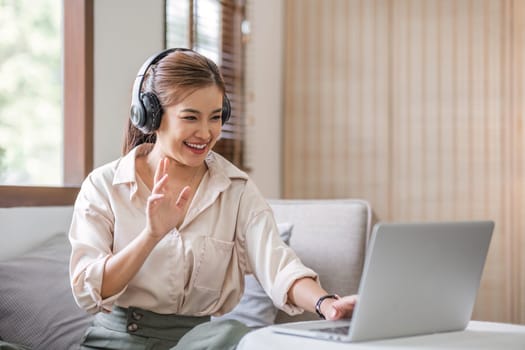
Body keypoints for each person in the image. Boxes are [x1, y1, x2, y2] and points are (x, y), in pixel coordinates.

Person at [69, 48, 357, 350]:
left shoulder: (236, 189)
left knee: (232, 332)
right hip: (115, 341)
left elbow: (278, 264)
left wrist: (327, 304)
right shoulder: (103, 186)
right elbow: (89, 292)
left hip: (199, 343)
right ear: (150, 115)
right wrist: (151, 235)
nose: (206, 133)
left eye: (216, 117)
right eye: (190, 117)